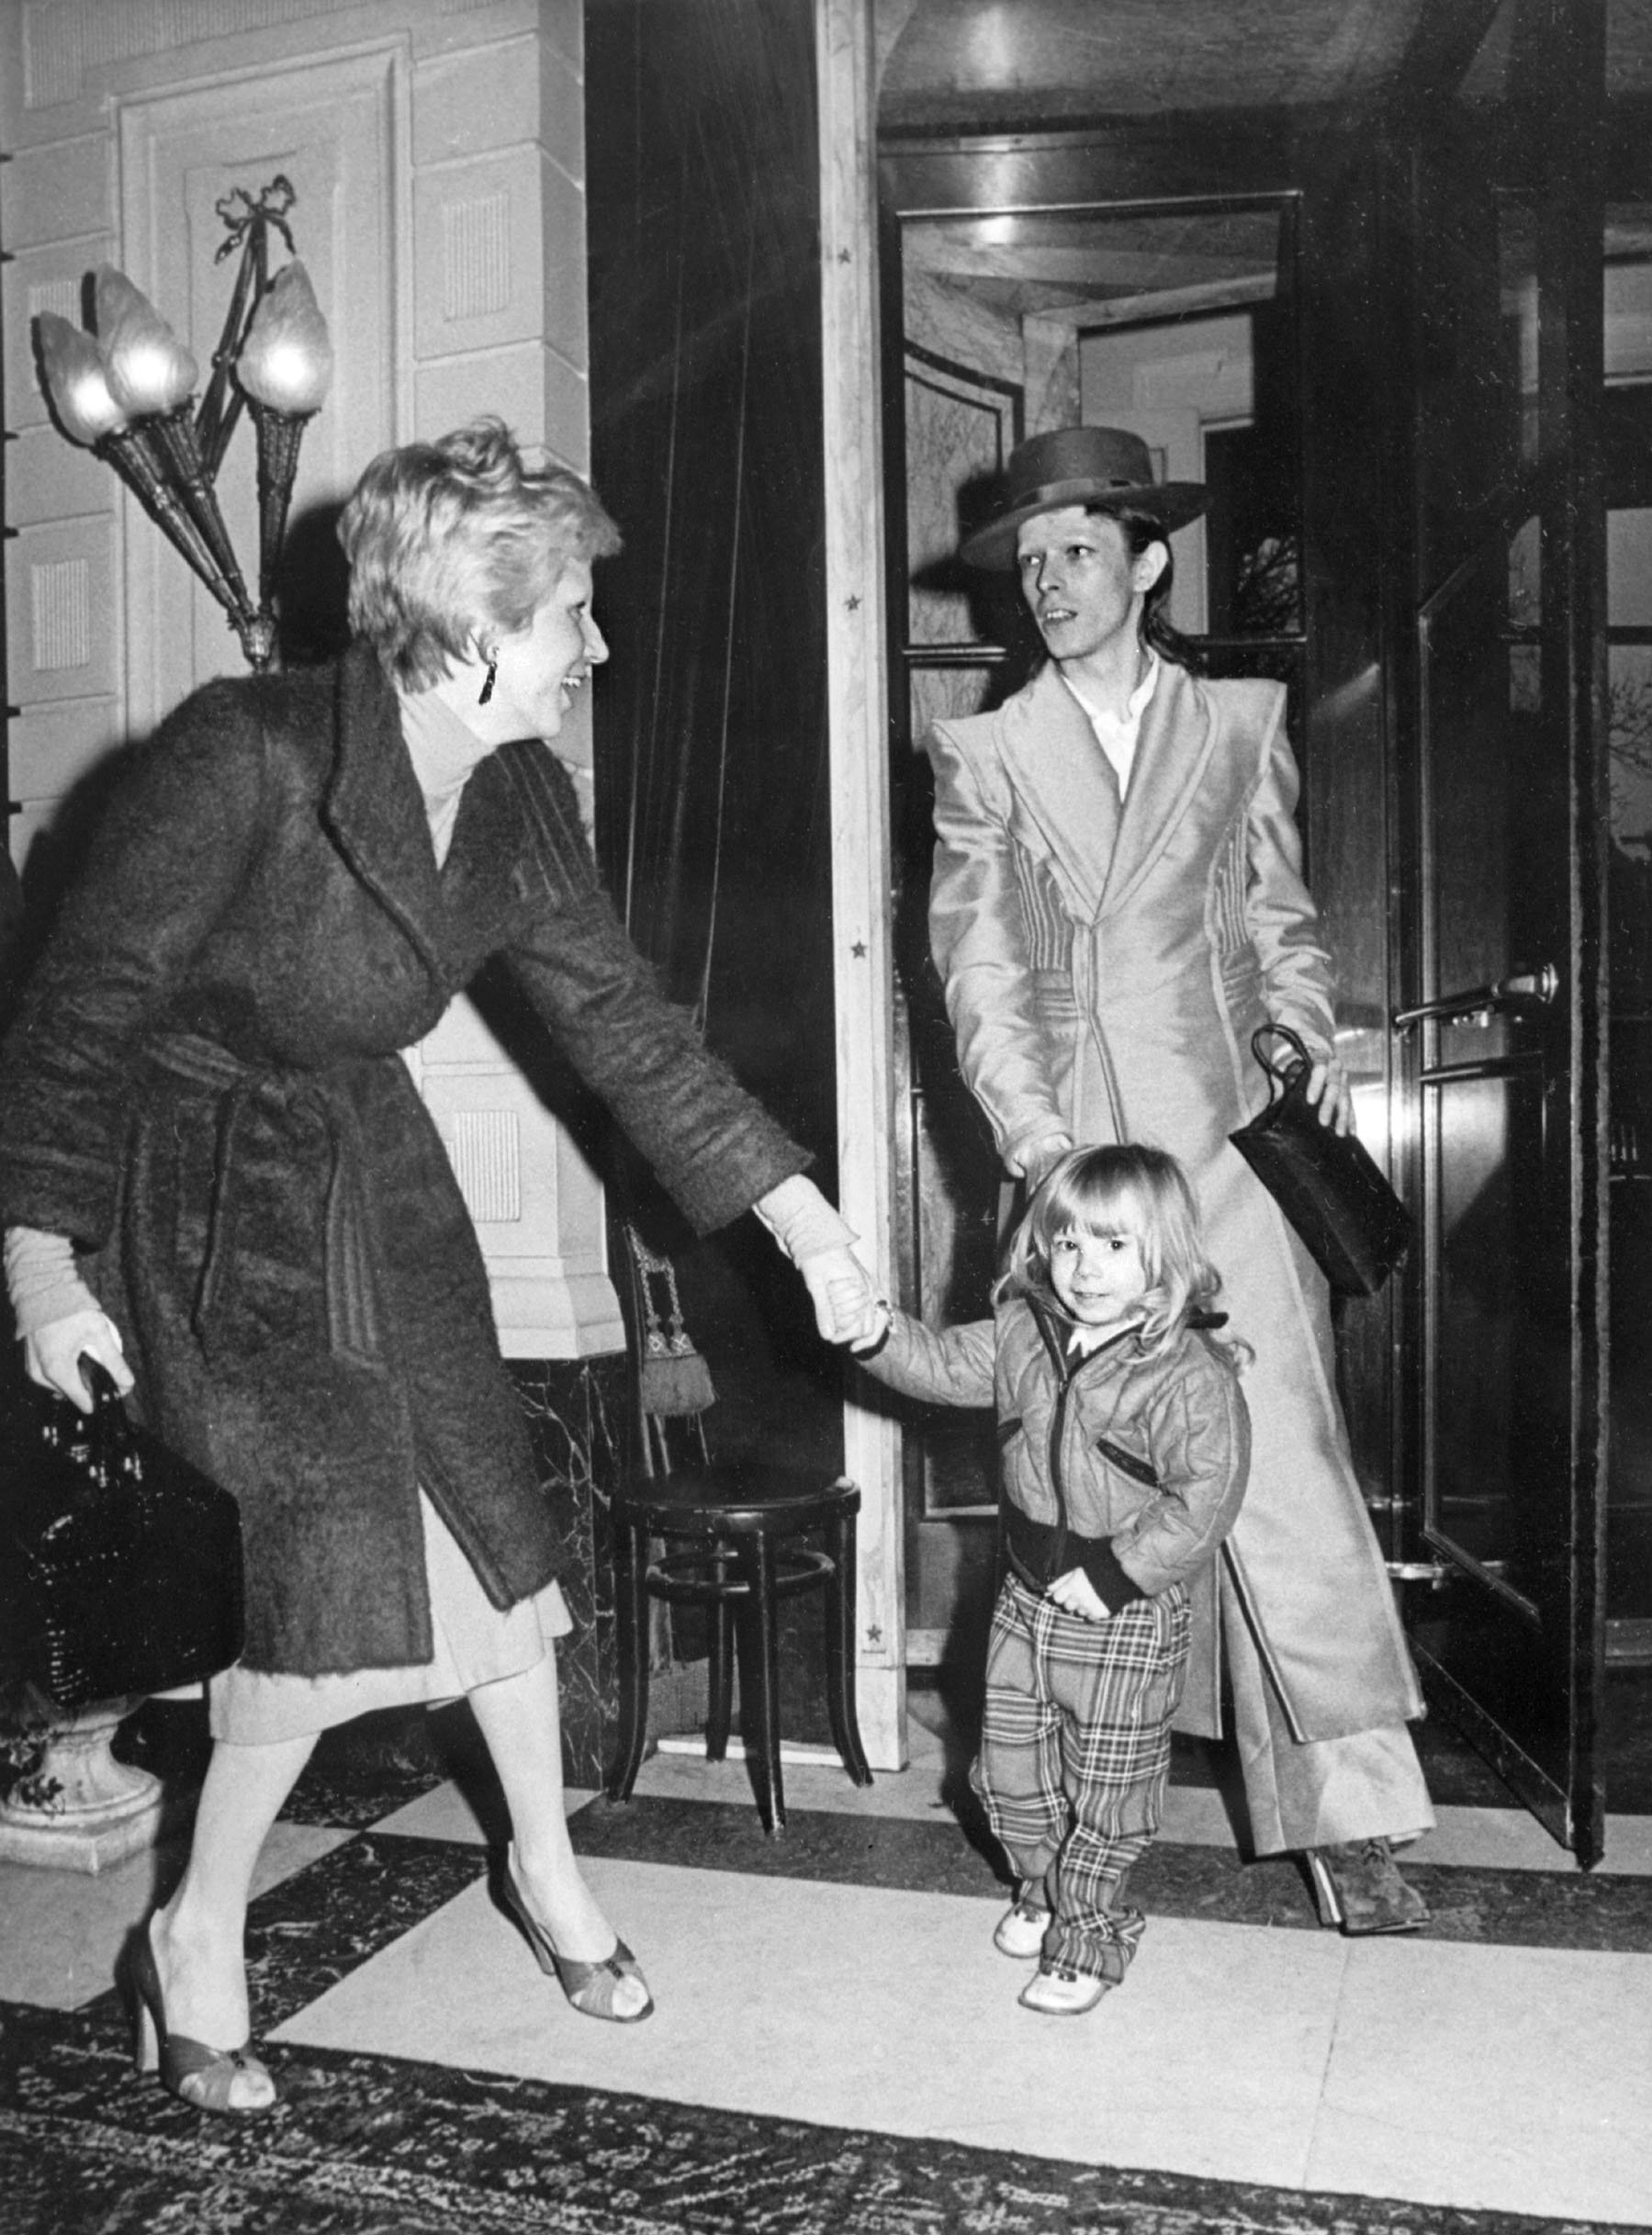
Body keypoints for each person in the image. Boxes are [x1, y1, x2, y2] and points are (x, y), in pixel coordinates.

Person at [0, 416, 878, 2114]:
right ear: (476, 626)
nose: (595, 650)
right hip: (196, 1196)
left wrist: (801, 1217)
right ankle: (195, 1934)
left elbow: (625, 1024)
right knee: (320, 1579)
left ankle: (539, 1868)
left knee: (492, 1525)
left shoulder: (519, 794)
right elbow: (79, 1010)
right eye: (573, 619)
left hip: (369, 1178)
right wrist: (44, 1268)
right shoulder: (243, 752)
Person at [925, 424, 1434, 1935]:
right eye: (1029, 563)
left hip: (1221, 1157)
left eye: (1076, 552)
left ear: (1147, 564)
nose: (1049, 582)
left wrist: (1297, 1021)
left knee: (1280, 1470)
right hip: (1076, 1171)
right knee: (1083, 1483)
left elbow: (1272, 915)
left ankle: (1348, 1821)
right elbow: (974, 965)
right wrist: (1034, 1145)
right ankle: (1066, 1828)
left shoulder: (1235, 724)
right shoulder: (985, 752)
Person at [849, 1144, 1250, 2014]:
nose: (1086, 1269)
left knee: (1108, 1787)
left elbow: (1205, 1497)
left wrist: (1116, 1574)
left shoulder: (1187, 1375)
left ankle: (1087, 1936)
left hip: (1122, 1611)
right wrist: (875, 1333)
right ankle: (1041, 1888)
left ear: (1167, 1255)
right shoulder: (1025, 1332)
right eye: (1067, 1245)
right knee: (1007, 1773)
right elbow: (942, 1364)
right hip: (1025, 1597)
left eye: (1114, 1247)